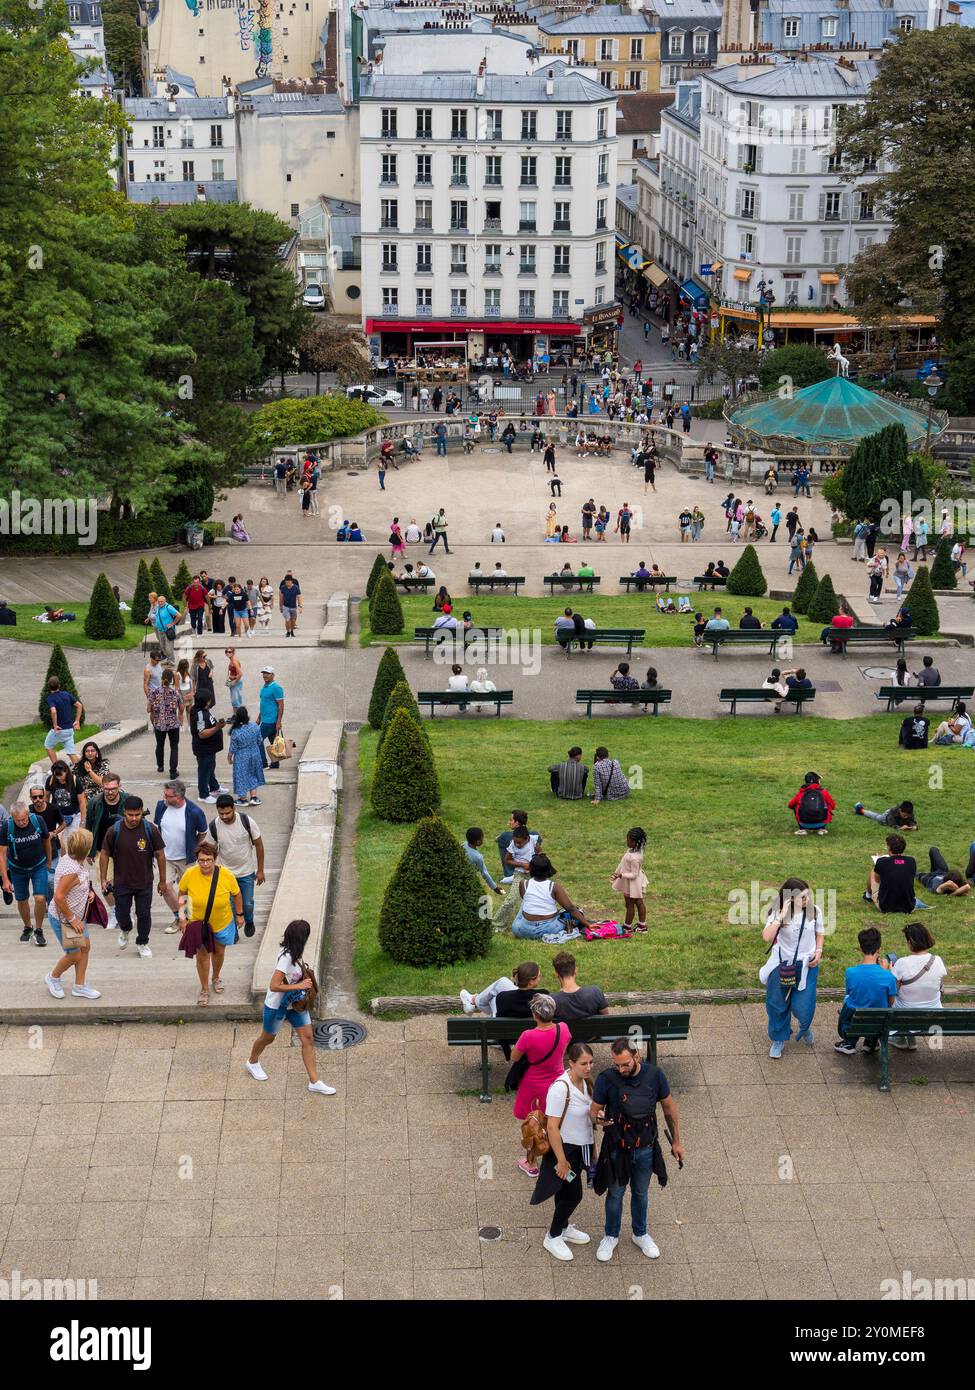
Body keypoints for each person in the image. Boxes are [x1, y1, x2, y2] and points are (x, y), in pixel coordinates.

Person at [591, 1038, 683, 1261]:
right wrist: (598, 1118)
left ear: (637, 1057)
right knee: (615, 1193)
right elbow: (594, 1111)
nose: (621, 1069)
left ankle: (640, 1234)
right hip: (617, 1148)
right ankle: (611, 1235)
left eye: (625, 1064)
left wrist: (677, 1142)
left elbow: (669, 1109)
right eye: (617, 1065)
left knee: (641, 1193)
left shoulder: (655, 1076)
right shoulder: (606, 1079)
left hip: (646, 1148)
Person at [531, 1042, 597, 1262]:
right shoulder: (561, 1088)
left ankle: (564, 1226)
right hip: (565, 1150)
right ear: (571, 1063)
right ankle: (553, 1235)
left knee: (563, 1191)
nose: (588, 1067)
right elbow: (551, 1127)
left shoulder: (586, 1082)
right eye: (583, 1063)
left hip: (580, 1148)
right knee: (574, 1194)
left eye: (590, 1062)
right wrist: (561, 1161)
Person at [508, 994, 572, 1176]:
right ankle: (556, 1155)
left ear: (535, 1015)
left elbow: (514, 1057)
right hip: (557, 1083)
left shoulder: (528, 1036)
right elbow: (565, 1046)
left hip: (532, 1086)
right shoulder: (563, 1029)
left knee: (532, 1125)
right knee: (554, 1121)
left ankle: (531, 1163)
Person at [760, 878, 825, 1057]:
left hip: (807, 965)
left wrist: (818, 951)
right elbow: (766, 937)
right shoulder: (778, 912)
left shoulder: (814, 911)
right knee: (777, 1004)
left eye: (808, 896)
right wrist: (781, 916)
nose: (807, 900)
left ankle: (804, 1026)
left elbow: (820, 933)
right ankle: (778, 1038)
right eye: (803, 898)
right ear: (790, 898)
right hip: (782, 964)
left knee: (802, 1005)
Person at [176, 840, 244, 1004]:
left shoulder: (226, 875)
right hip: (198, 923)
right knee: (202, 956)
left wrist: (240, 914)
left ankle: (216, 977)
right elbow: (182, 895)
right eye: (201, 860)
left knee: (219, 952)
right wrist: (182, 918)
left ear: (215, 859)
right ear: (197, 860)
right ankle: (205, 988)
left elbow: (237, 894)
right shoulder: (190, 874)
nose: (205, 864)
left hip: (223, 921)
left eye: (209, 860)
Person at [99, 795, 167, 958]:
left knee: (144, 914)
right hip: (122, 882)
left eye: (137, 814)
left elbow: (160, 855)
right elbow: (104, 854)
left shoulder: (151, 829)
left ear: (142, 812)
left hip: (145, 882)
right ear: (124, 812)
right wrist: (103, 878)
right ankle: (126, 929)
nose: (134, 818)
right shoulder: (114, 830)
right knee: (122, 914)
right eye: (130, 815)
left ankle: (142, 942)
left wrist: (162, 881)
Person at [43, 827, 102, 1000]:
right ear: (86, 849)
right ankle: (53, 977)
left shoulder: (73, 859)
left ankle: (80, 986)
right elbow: (59, 896)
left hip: (76, 917)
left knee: (85, 947)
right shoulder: (72, 871)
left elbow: (75, 887)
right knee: (74, 954)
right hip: (65, 918)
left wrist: (88, 893)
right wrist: (72, 918)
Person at [207, 795, 265, 939]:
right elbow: (209, 850)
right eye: (221, 813)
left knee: (247, 903)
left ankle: (249, 920)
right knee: (229, 905)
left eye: (227, 813)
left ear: (234, 808)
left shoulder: (246, 822)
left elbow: (259, 845)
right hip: (225, 873)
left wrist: (260, 870)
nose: (224, 816)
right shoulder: (214, 826)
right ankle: (234, 931)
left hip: (246, 872)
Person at [833, 927, 896, 1054]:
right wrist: (884, 972)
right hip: (878, 1022)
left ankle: (849, 1042)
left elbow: (851, 993)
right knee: (879, 1005)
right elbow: (891, 1001)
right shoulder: (889, 976)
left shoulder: (851, 972)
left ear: (861, 949)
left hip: (854, 1020)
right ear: (879, 950)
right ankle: (870, 1042)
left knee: (848, 1002)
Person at [0, 801, 53, 944]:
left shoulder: (37, 820)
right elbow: (2, 854)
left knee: (40, 898)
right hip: (17, 869)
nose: (22, 822)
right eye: (18, 820)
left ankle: (39, 929)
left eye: (24, 819)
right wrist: (5, 879)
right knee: (22, 900)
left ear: (28, 815)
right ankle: (28, 927)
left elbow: (46, 840)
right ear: (12, 818)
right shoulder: (7, 826)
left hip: (38, 866)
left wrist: (48, 861)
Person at [888, 922, 946, 1050]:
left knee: (890, 999)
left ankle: (900, 1038)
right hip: (933, 1013)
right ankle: (910, 1038)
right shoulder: (938, 960)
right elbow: (939, 986)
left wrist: (890, 972)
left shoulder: (902, 963)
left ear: (910, 943)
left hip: (907, 1015)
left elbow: (893, 991)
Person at [512, 853, 592, 942]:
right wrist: (587, 924)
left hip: (521, 930)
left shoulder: (523, 883)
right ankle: (569, 926)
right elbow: (570, 908)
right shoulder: (553, 886)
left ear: (530, 869)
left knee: (525, 902)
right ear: (549, 869)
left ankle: (523, 925)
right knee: (572, 913)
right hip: (549, 929)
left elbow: (528, 901)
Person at [460, 959, 547, 1019]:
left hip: (503, 1036)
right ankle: (474, 1002)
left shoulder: (503, 997)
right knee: (496, 992)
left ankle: (474, 1001)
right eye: (539, 976)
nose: (541, 977)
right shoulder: (544, 996)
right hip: (526, 1038)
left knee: (498, 990)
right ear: (531, 981)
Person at [865, 833, 918, 913]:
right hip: (909, 906)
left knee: (873, 871)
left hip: (886, 907)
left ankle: (868, 895)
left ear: (889, 847)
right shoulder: (911, 861)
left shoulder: (881, 862)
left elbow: (877, 880)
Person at [611, 827, 648, 933]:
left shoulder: (635, 858)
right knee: (635, 903)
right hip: (628, 882)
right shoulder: (631, 851)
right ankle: (641, 926)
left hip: (633, 884)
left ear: (635, 842)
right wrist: (617, 872)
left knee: (631, 904)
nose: (627, 841)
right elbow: (623, 863)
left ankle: (628, 927)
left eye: (629, 840)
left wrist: (621, 875)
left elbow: (634, 874)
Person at [227, 707, 266, 806]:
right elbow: (259, 741)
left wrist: (229, 758)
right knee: (253, 774)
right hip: (255, 754)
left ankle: (243, 799)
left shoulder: (236, 731)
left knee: (241, 776)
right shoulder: (255, 727)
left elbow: (233, 748)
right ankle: (253, 797)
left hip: (241, 757)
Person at [148, 668, 182, 779]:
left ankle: (160, 766)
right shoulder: (175, 692)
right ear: (172, 679)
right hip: (173, 724)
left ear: (162, 678)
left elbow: (149, 709)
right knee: (174, 747)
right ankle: (173, 771)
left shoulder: (154, 692)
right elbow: (181, 708)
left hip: (159, 724)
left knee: (160, 745)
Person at [44, 677, 82, 766]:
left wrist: (55, 725)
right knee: (71, 752)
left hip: (59, 730)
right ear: (59, 685)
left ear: (48, 687)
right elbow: (79, 705)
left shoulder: (51, 698)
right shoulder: (66, 694)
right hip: (69, 730)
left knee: (48, 745)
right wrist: (77, 721)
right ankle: (81, 772)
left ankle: (57, 768)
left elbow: (53, 711)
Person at [787, 770, 834, 835]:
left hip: (804, 823)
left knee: (795, 805)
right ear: (817, 781)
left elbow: (790, 805)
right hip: (822, 822)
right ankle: (822, 829)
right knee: (828, 804)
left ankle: (802, 830)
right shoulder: (823, 792)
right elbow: (833, 805)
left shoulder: (801, 793)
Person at [461, 827, 504, 897]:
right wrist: (495, 888)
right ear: (478, 842)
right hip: (468, 880)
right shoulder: (478, 857)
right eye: (482, 838)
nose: (483, 840)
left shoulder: (464, 844)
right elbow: (485, 874)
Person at [259, 666, 285, 769]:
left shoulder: (276, 688)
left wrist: (279, 721)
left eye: (267, 673)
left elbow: (281, 705)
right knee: (273, 742)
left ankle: (263, 763)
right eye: (264, 673)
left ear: (273, 675)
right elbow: (264, 704)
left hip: (271, 721)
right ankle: (275, 763)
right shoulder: (264, 687)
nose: (265, 675)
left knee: (257, 740)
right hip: (264, 719)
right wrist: (259, 717)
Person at [279, 571, 302, 637]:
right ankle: (288, 632)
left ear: (291, 581)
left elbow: (299, 597)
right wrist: (280, 607)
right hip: (285, 606)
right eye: (286, 582)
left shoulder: (296, 588)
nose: (287, 583)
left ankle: (291, 631)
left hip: (293, 607)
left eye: (288, 582)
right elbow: (281, 598)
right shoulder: (283, 588)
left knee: (293, 620)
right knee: (287, 619)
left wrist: (300, 606)